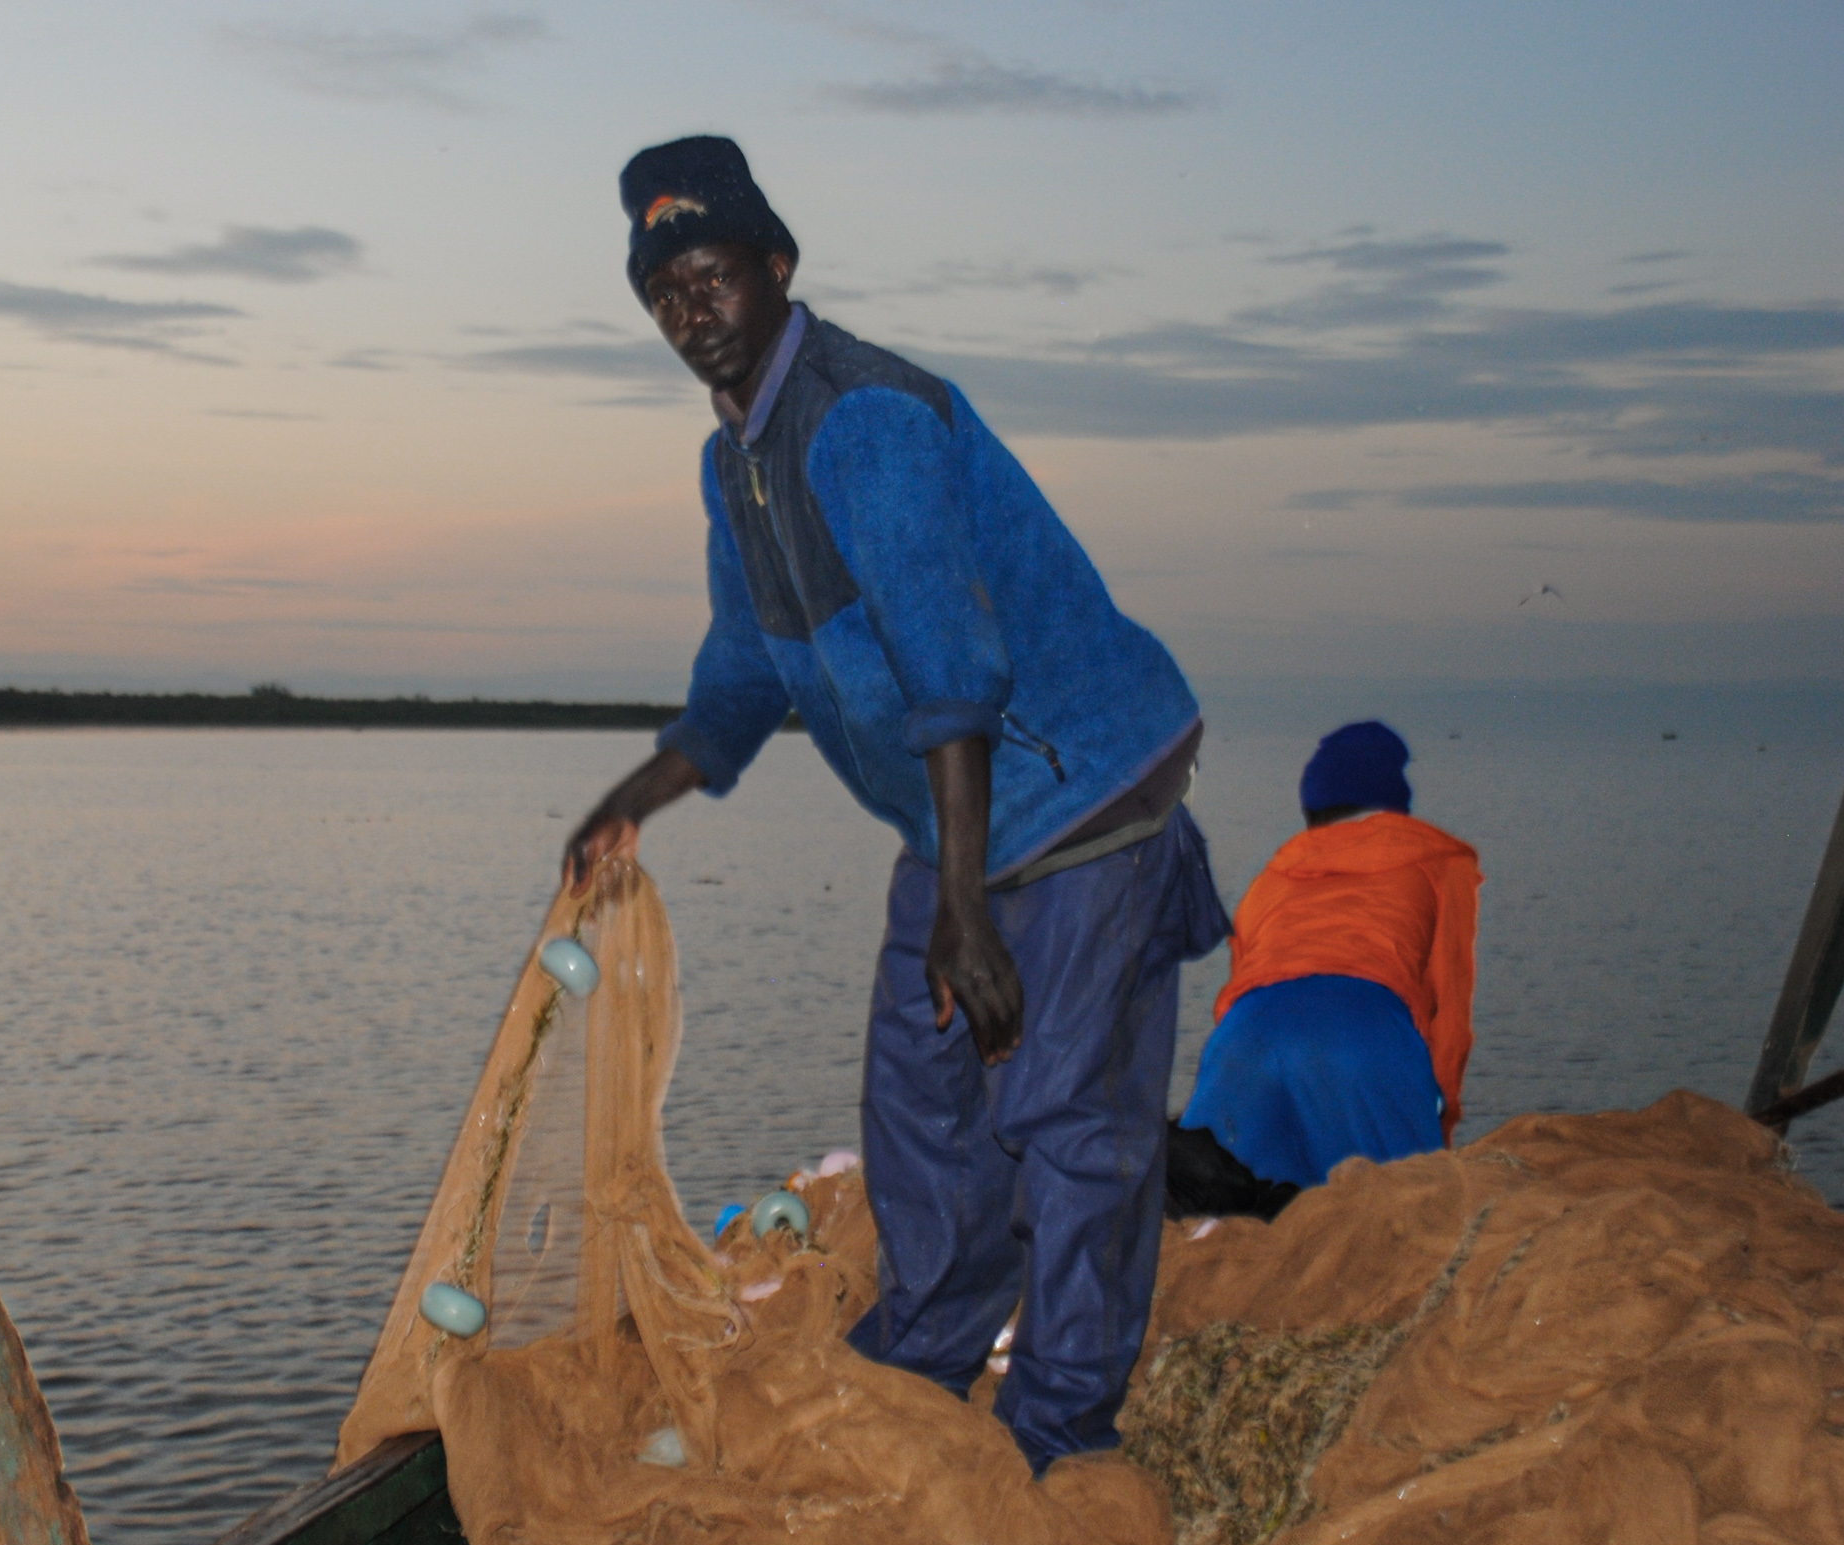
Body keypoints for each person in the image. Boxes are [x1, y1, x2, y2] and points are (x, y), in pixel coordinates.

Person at [561, 136, 1227, 1476]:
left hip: (1079, 783)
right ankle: (927, 1353)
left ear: (777, 266)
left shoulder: (861, 419)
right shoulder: (734, 459)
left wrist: (965, 910)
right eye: (665, 291)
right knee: (920, 1097)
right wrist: (637, 793)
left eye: (713, 275)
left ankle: (1057, 1428)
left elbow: (951, 667)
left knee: (1066, 1117)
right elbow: (751, 667)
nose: (693, 310)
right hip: (966, 812)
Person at [1176, 720, 1482, 1186]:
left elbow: (1238, 987)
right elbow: (1449, 1009)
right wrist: (1439, 1116)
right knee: (1404, 1212)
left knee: (1214, 1204)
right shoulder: (1437, 863)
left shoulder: (1272, 879)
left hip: (1244, 1038)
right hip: (1363, 1031)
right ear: (1394, 805)